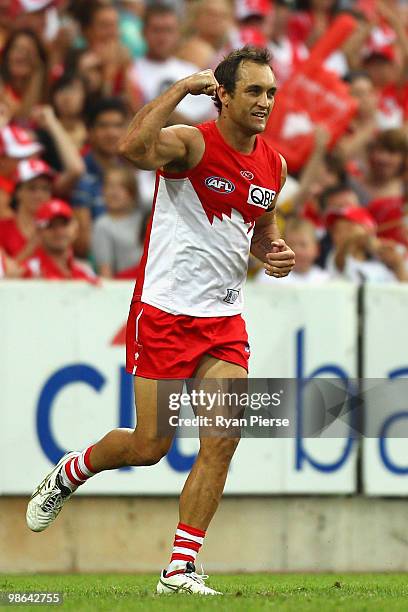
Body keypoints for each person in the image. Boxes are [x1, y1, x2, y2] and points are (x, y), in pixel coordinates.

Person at [26, 46, 295, 595]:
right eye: (253, 91)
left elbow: (259, 229)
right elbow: (130, 147)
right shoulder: (192, 141)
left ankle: (180, 569)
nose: (265, 101)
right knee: (151, 446)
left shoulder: (275, 164)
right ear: (223, 94)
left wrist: (273, 251)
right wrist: (177, 89)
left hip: (223, 318)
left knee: (223, 436)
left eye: (270, 91)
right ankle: (75, 469)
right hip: (165, 313)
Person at [70, 97, 128, 256]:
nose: (112, 133)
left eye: (118, 126)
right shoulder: (81, 173)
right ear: (90, 132)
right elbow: (83, 244)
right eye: (103, 126)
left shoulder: (131, 169)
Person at [23, 199, 97, 281]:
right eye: (50, 225)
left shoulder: (85, 271)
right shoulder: (29, 271)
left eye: (64, 224)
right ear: (38, 231)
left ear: (75, 228)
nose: (59, 231)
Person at [92, 166, 143, 278]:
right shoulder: (102, 225)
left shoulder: (143, 219)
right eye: (109, 186)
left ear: (132, 193)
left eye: (121, 187)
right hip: (125, 288)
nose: (113, 192)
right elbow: (105, 273)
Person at [256, 217, 330, 284]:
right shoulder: (268, 277)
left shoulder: (325, 281)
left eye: (303, 245)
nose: (297, 251)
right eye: (291, 244)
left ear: (317, 249)